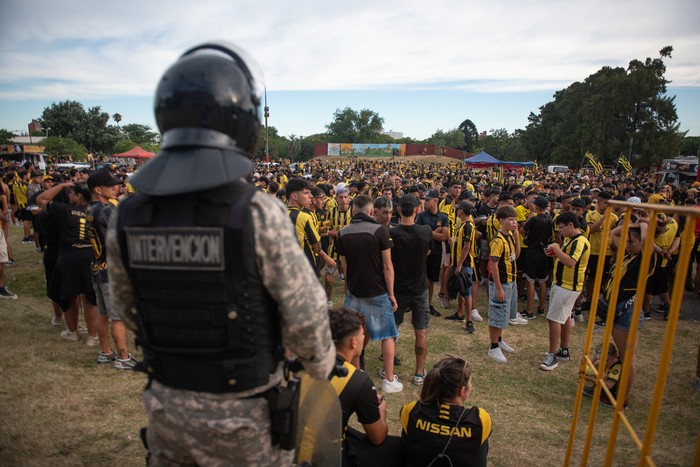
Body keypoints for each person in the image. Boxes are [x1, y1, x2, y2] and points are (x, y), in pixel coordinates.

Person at [106, 41, 335, 465]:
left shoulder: (127, 215)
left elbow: (125, 305)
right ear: (242, 122)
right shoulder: (257, 211)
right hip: (244, 418)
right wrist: (321, 366)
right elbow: (306, 315)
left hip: (167, 407)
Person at [337, 194, 402, 393]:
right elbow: (387, 266)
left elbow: (344, 264)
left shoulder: (342, 232)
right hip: (378, 290)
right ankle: (389, 380)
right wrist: (391, 293)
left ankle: (357, 377)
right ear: (371, 211)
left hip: (355, 291)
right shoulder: (380, 231)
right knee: (388, 334)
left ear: (353, 210)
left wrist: (349, 285)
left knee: (354, 333)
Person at [328, 307, 406, 467]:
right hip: (325, 456)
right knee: (399, 447)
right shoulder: (356, 379)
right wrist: (381, 412)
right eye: (363, 334)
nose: (365, 338)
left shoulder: (302, 363)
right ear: (353, 341)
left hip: (292, 442)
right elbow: (377, 437)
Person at [86, 170, 137, 369]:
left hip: (97, 267)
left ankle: (106, 352)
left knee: (103, 313)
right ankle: (123, 358)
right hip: (111, 271)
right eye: (112, 185)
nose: (117, 187)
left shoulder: (90, 209)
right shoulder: (107, 211)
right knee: (118, 317)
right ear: (98, 190)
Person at [400, 355, 491, 467]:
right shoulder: (479, 419)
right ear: (462, 391)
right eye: (470, 383)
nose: (471, 387)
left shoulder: (411, 410)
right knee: (479, 435)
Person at [37, 181, 99, 344]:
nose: (69, 194)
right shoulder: (97, 209)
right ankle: (92, 336)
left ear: (78, 195)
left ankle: (73, 332)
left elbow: (41, 199)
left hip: (70, 256)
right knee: (90, 298)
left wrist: (62, 185)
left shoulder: (63, 209)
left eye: (71, 192)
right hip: (90, 255)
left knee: (70, 295)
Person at [390, 194, 434, 386]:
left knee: (393, 331)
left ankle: (389, 368)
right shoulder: (425, 231)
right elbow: (429, 252)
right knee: (421, 332)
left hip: (398, 289)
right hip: (419, 288)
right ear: (417, 209)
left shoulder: (391, 233)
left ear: (398, 210)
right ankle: (418, 373)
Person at [541, 212, 590, 371]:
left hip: (567, 286)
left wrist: (556, 247)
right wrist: (555, 253)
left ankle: (552, 354)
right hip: (562, 284)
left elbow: (571, 262)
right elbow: (564, 258)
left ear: (570, 224)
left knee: (554, 319)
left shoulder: (580, 241)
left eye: (561, 227)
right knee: (565, 316)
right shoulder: (570, 240)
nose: (559, 231)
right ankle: (563, 349)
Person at [487, 205, 521, 363]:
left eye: (515, 219)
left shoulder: (509, 236)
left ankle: (499, 339)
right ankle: (493, 346)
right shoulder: (498, 240)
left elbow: (516, 255)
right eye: (510, 219)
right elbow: (494, 265)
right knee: (497, 313)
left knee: (503, 315)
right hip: (501, 282)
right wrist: (499, 289)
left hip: (511, 280)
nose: (514, 222)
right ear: (501, 220)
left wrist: (517, 236)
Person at [416, 189, 450, 317]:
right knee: (420, 279)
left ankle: (428, 305)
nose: (425, 202)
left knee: (430, 280)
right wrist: (435, 231)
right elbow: (418, 234)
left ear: (435, 201)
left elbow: (444, 237)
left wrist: (427, 231)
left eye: (427, 200)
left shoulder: (443, 217)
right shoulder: (421, 216)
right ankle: (419, 305)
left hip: (435, 253)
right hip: (422, 252)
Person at [519, 196, 553, 319]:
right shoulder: (550, 218)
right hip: (544, 251)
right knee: (543, 281)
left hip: (533, 251)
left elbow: (522, 230)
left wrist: (531, 214)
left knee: (530, 281)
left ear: (536, 206)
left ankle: (529, 310)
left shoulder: (534, 219)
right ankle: (541, 308)